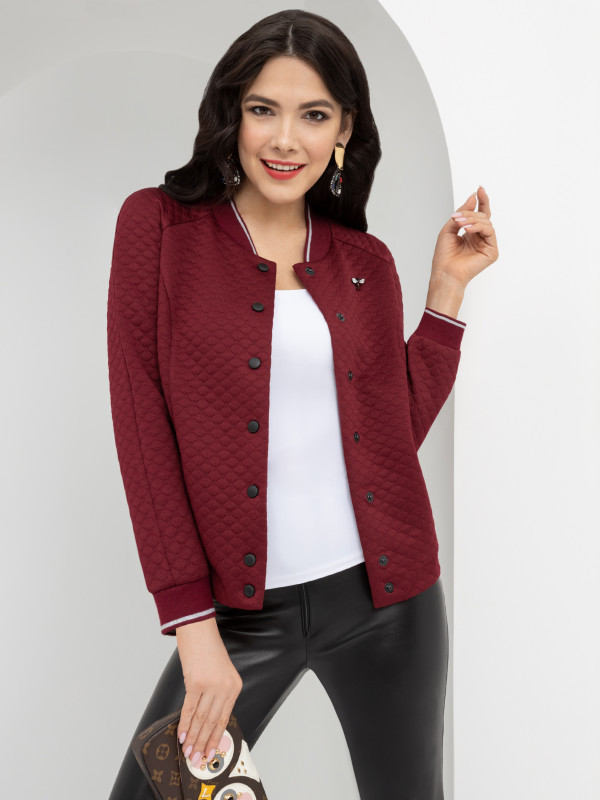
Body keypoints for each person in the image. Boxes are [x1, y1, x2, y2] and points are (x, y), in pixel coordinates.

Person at [106, 8, 498, 799]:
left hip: (391, 604)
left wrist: (446, 294)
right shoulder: (159, 228)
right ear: (232, 112)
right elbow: (141, 429)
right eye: (264, 109)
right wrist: (194, 629)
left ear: (344, 130)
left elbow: (389, 437)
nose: (285, 140)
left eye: (314, 115)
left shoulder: (363, 262)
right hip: (236, 618)